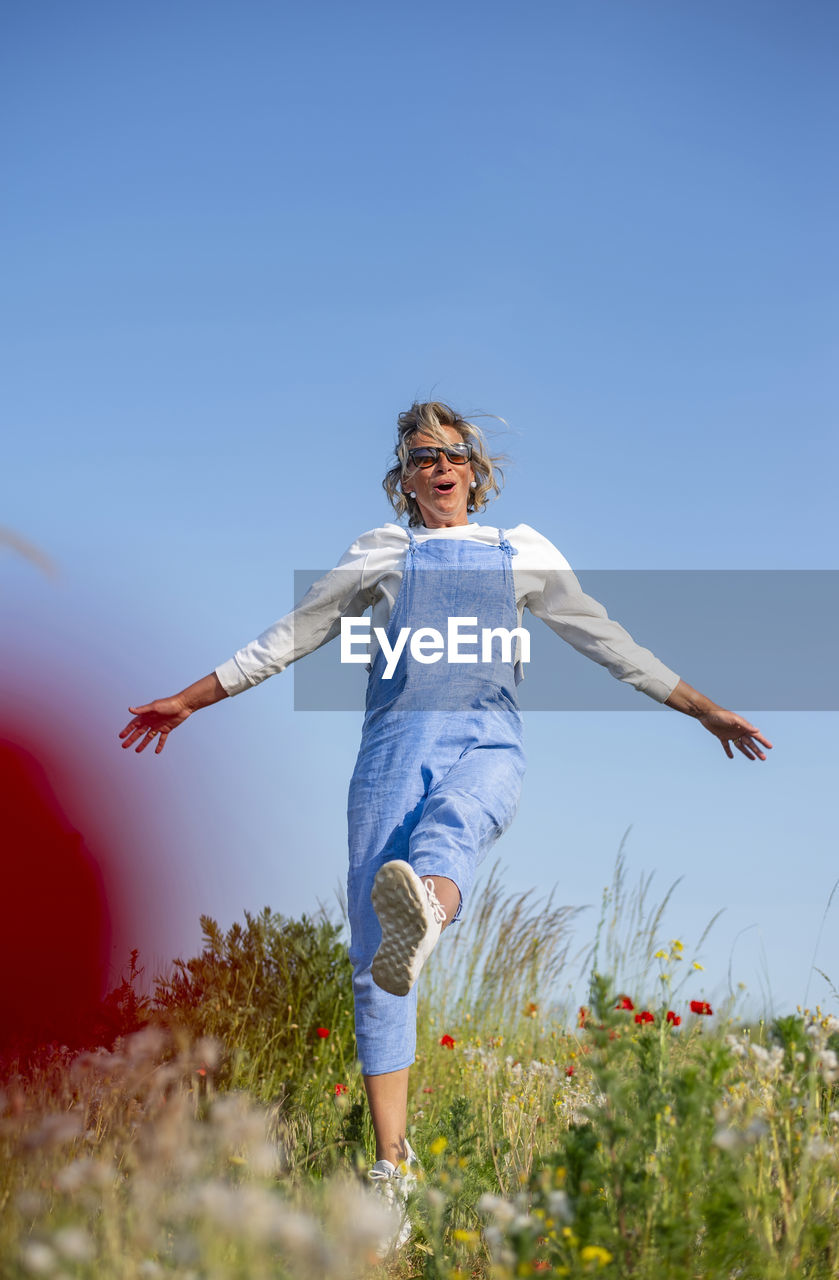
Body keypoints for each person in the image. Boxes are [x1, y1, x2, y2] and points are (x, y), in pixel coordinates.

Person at [119, 401, 771, 1249]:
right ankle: (394, 1167)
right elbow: (289, 638)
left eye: (451, 452)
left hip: (486, 735)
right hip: (391, 753)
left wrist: (700, 708)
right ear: (403, 476)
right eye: (421, 454)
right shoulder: (380, 554)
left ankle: (425, 900)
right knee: (374, 970)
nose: (439, 464)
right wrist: (191, 698)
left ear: (473, 468)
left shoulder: (521, 551)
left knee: (465, 815)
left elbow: (607, 639)